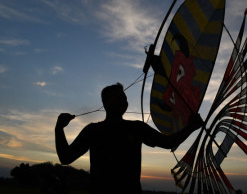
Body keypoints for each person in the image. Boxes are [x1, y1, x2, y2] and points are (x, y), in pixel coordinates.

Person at [55, 83, 203, 193]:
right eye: (119, 98)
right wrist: (59, 129)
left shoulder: (135, 128)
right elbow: (65, 158)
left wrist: (191, 127)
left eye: (124, 98)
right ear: (106, 103)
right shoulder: (95, 130)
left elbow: (168, 142)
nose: (124, 101)